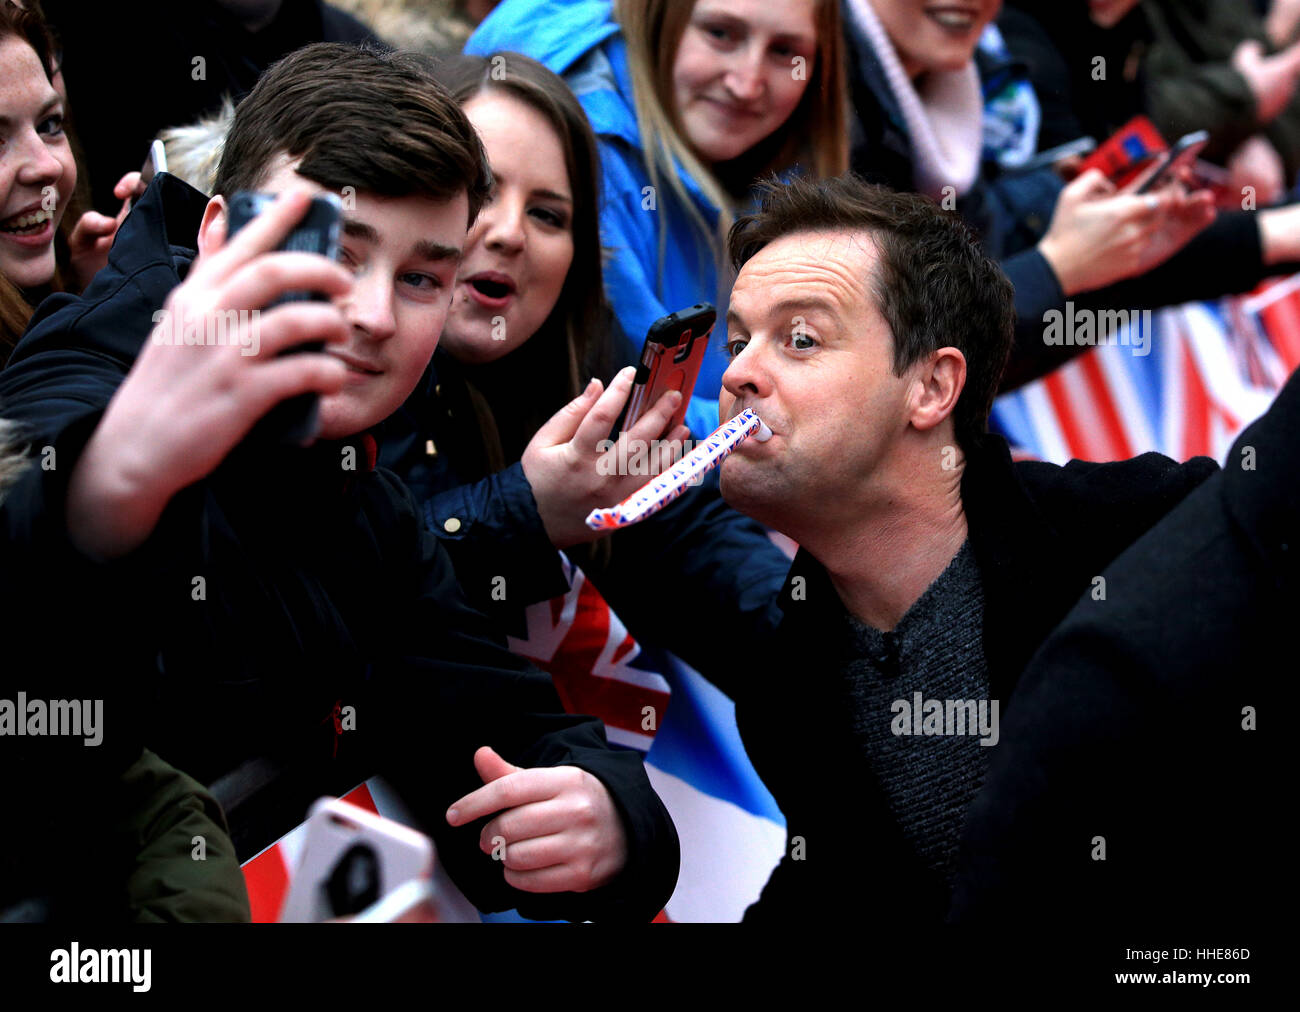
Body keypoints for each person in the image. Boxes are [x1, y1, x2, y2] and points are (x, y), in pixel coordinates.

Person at [0, 42, 678, 921]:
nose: (371, 314)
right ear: (216, 236)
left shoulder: (364, 500)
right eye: (335, 251)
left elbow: (505, 728)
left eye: (424, 277)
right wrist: (113, 484)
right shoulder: (83, 369)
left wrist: (611, 819)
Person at [707, 171, 1243, 922]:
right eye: (737, 341)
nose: (735, 374)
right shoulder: (787, 698)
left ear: (931, 388)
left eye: (800, 338)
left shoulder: (1141, 530)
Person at [376, 52, 789, 682]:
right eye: (481, 191)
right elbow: (341, 594)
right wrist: (529, 509)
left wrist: (837, 641)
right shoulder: (335, 362)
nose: (511, 232)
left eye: (548, 215)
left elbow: (684, 534)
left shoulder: (589, 357)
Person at [843, 0, 1300, 389]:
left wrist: (1091, 254)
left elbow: (1002, 276)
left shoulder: (967, 79)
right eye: (780, 51)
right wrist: (1060, 265)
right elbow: (887, 358)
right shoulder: (832, 107)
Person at [466, 0, 849, 404]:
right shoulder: (591, 154)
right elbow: (648, 400)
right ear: (659, 21)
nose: (746, 83)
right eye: (720, 34)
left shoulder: (789, 155)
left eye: (784, 51)